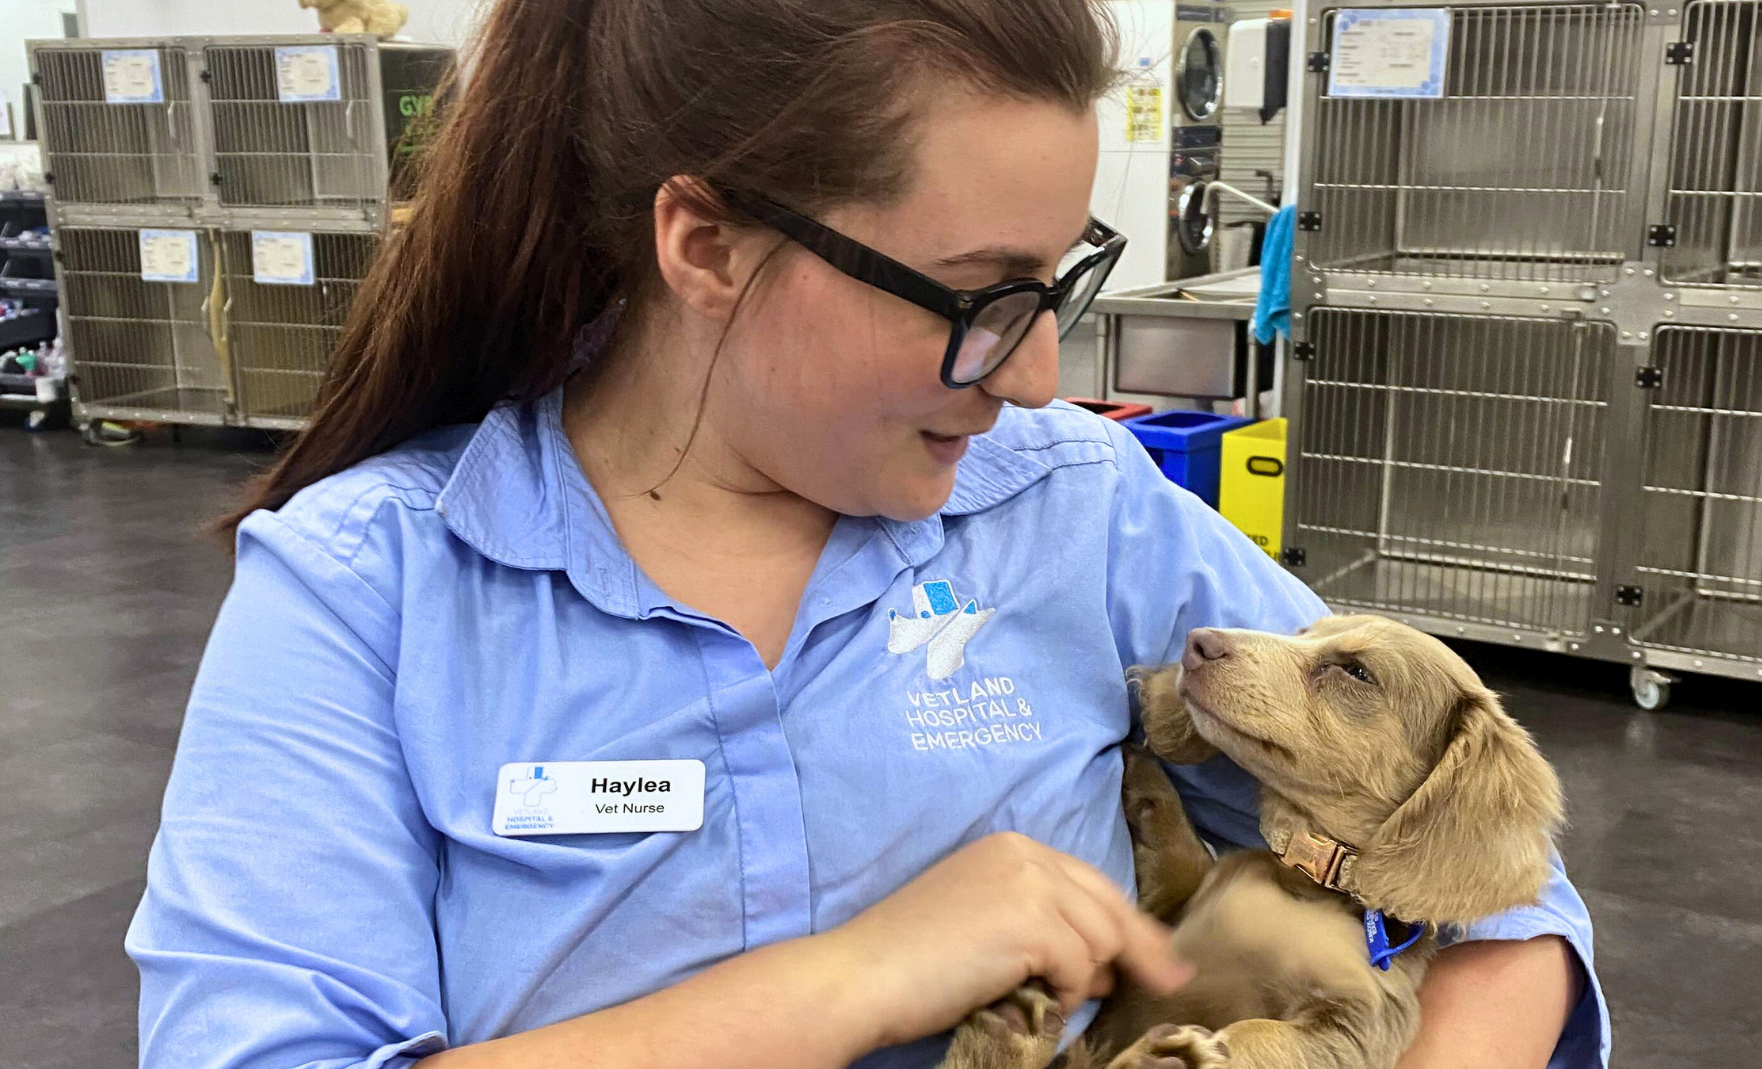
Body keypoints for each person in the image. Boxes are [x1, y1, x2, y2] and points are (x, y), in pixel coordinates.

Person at [126, 1, 1609, 1067]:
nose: (1036, 376)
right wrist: (856, 979)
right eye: (978, 296)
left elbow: (1494, 873)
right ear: (705, 245)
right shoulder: (364, 591)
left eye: (1059, 280)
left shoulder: (1073, 509)